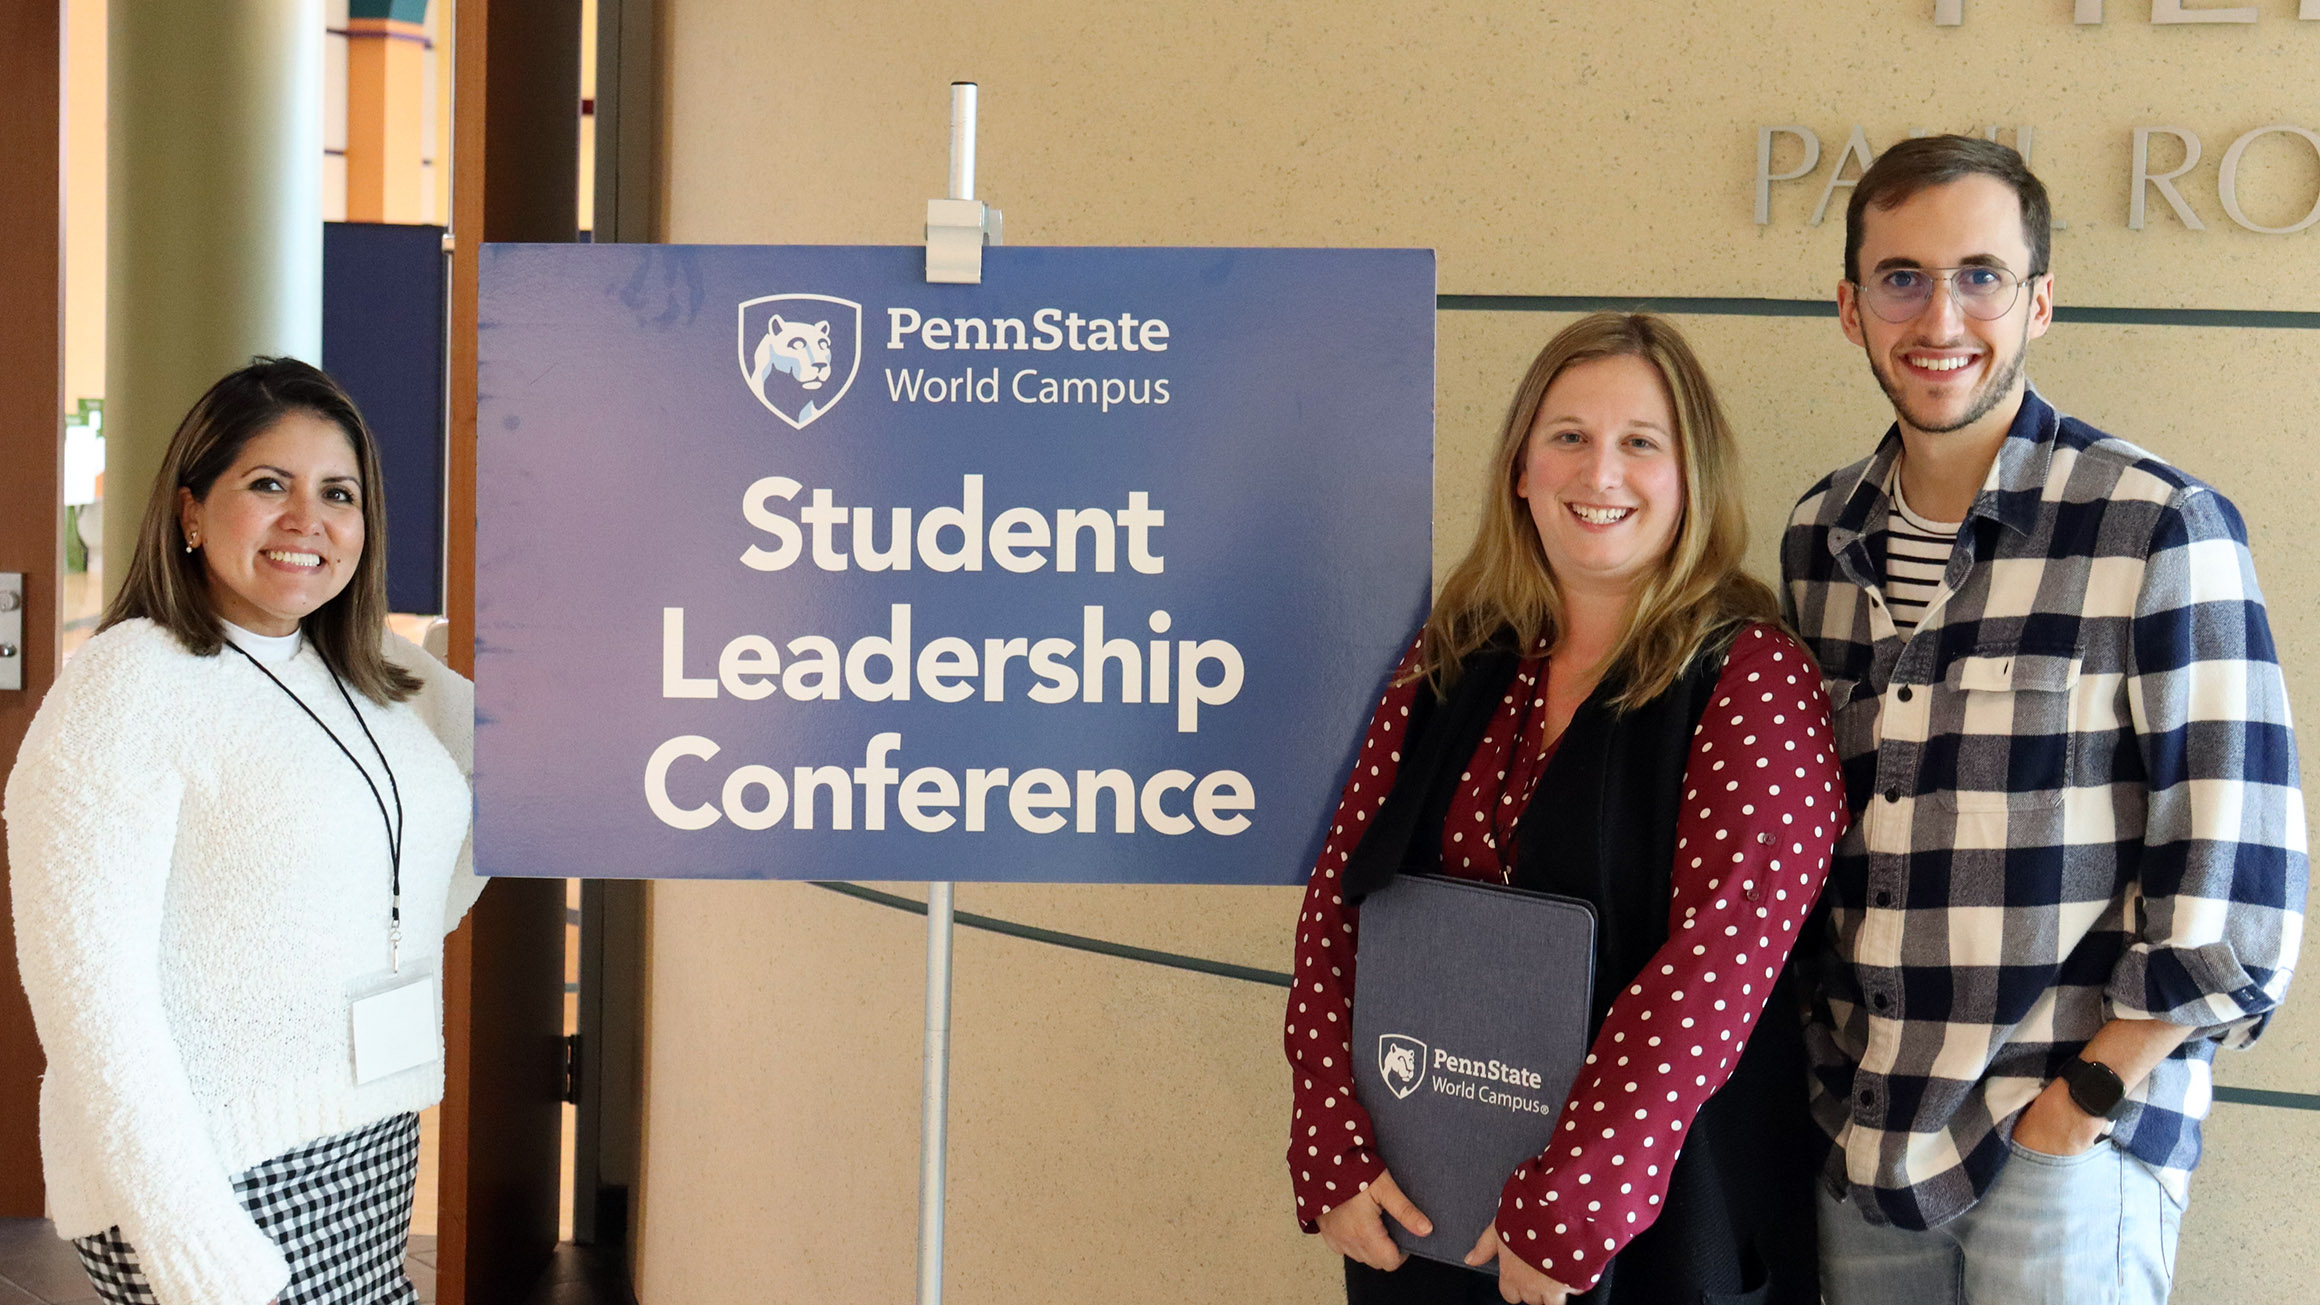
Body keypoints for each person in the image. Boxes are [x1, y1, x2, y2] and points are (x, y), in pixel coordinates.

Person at [1782, 134, 2307, 1305]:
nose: (1940, 317)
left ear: (2039, 303)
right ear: (1849, 307)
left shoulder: (2157, 525)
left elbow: (2239, 885)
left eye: (1981, 275)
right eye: (1901, 277)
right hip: (1864, 1141)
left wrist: (2082, 1106)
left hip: (2060, 1140)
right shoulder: (1818, 537)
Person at [1285, 313, 1847, 1305]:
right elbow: (1342, 905)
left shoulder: (1748, 676)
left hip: (1650, 1229)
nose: (1600, 475)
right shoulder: (1449, 660)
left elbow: (1716, 971)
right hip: (1423, 1207)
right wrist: (1331, 1141)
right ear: (1520, 469)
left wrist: (1571, 1207)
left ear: (1691, 477)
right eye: (1569, 437)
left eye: (1641, 443)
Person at [4, 358, 483, 1305]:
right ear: (191, 510)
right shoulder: (129, 684)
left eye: (337, 493)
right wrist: (188, 1238)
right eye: (269, 484)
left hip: (370, 1139)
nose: (307, 519)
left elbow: (469, 827)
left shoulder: (371, 670)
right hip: (212, 1166)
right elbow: (87, 996)